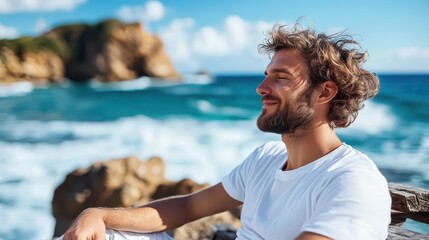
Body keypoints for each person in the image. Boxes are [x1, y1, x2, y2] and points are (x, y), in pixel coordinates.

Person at [62, 22, 391, 240]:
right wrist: (99, 214)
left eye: (281, 77)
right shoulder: (267, 158)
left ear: (325, 93)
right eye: (266, 75)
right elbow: (188, 208)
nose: (262, 88)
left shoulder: (353, 182)